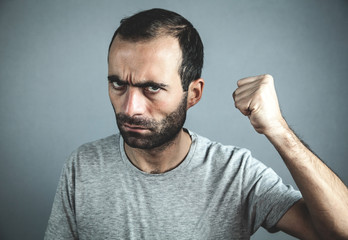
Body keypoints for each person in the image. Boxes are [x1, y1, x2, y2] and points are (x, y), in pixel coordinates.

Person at [45, 8, 348, 240]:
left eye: (152, 88)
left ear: (194, 94)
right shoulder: (83, 167)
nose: (130, 108)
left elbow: (340, 231)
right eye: (118, 85)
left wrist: (279, 130)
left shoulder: (235, 175)